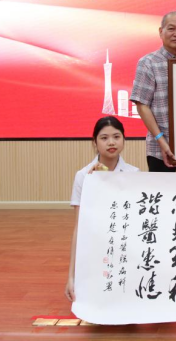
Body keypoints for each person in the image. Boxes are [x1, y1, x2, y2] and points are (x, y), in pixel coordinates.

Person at [65, 116, 138, 302]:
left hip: (125, 249)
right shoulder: (83, 176)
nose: (111, 142)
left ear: (124, 139)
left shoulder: (134, 174)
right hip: (95, 249)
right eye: (104, 138)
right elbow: (79, 227)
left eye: (116, 137)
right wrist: (71, 276)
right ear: (95, 142)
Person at [130, 11, 176, 172]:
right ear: (161, 31)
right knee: (162, 189)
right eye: (171, 28)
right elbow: (142, 105)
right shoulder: (148, 63)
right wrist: (161, 140)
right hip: (159, 148)